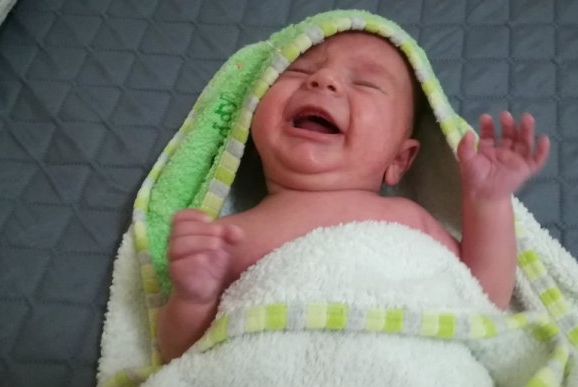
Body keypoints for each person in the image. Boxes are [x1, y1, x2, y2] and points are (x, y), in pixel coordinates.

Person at [157, 31, 550, 362]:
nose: (323, 80)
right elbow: (179, 355)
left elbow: (486, 297)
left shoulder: (408, 219)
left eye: (365, 83)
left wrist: (487, 202)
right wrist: (193, 298)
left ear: (399, 160)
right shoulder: (225, 237)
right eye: (299, 70)